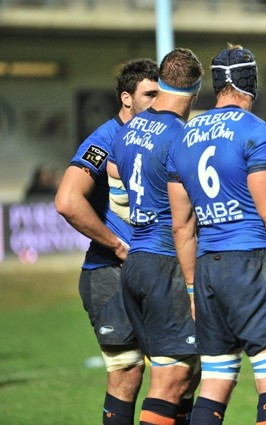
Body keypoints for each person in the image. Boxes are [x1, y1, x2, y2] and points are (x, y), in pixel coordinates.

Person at [167, 45, 266, 425]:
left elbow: (182, 224)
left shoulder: (184, 137)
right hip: (253, 265)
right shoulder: (257, 131)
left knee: (216, 379)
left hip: (208, 269)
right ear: (250, 81)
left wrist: (192, 289)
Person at [55, 57, 158, 425]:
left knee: (179, 373)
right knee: (127, 374)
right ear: (126, 98)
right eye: (150, 93)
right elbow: (67, 201)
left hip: (157, 272)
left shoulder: (161, 135)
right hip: (110, 273)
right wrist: (116, 244)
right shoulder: (104, 140)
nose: (157, 100)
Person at [107, 47, 204, 425]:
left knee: (186, 375)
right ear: (195, 92)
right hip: (167, 265)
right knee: (171, 379)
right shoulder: (182, 137)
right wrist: (194, 287)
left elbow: (118, 198)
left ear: (161, 82)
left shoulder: (129, 130)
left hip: (137, 261)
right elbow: (185, 222)